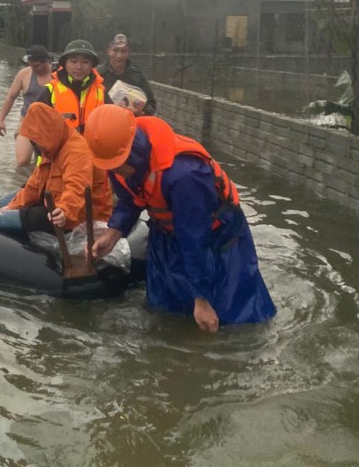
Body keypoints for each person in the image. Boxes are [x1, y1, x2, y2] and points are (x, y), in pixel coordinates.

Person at [83, 105, 276, 331]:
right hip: (166, 234)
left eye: (117, 165)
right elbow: (130, 200)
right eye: (109, 166)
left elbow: (195, 239)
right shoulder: (116, 162)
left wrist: (202, 299)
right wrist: (112, 234)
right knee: (165, 309)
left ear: (131, 150)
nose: (114, 171)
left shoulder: (185, 174)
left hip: (216, 239)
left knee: (231, 319)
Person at [0, 102, 112, 238]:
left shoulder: (77, 152)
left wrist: (64, 211)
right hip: (57, 204)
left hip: (78, 218)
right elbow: (34, 185)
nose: (36, 146)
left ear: (48, 134)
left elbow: (78, 189)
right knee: (21, 192)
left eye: (37, 140)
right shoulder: (54, 147)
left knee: (32, 216)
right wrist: (11, 207)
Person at [36, 39, 111, 134]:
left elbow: (114, 124)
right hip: (61, 147)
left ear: (92, 65)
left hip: (92, 147)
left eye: (85, 62)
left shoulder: (101, 91)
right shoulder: (50, 90)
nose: (79, 67)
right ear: (65, 64)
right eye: (73, 61)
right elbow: (35, 126)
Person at [0, 44, 53, 168]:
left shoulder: (57, 76)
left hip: (49, 125)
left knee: (44, 164)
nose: (33, 68)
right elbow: (11, 97)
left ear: (46, 62)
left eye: (36, 65)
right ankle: (20, 185)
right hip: (27, 122)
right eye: (30, 64)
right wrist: (1, 119)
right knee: (22, 162)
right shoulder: (24, 74)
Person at [97, 33, 157, 116]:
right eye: (115, 50)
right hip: (105, 123)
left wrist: (142, 112)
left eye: (124, 51)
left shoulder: (137, 76)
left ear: (129, 52)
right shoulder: (98, 75)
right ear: (108, 51)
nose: (119, 55)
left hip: (132, 124)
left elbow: (151, 104)